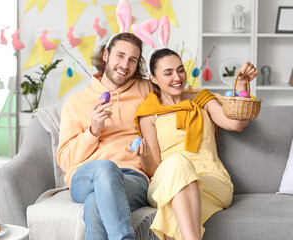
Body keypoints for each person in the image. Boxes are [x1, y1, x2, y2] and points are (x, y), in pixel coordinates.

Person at [133, 48, 258, 240]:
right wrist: (144, 156)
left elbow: (236, 124)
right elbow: (153, 169)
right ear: (153, 78)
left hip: (210, 181)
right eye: (168, 73)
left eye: (180, 70)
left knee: (175, 211)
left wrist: (242, 85)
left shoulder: (202, 100)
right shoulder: (149, 113)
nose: (177, 77)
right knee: (177, 162)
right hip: (167, 181)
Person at [56, 32, 152, 239]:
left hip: (132, 177)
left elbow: (181, 91)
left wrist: (219, 97)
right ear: (106, 55)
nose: (125, 64)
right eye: (120, 55)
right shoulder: (75, 102)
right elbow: (65, 160)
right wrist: (93, 131)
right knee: (105, 167)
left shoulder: (145, 90)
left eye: (132, 60)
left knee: (94, 204)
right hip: (85, 177)